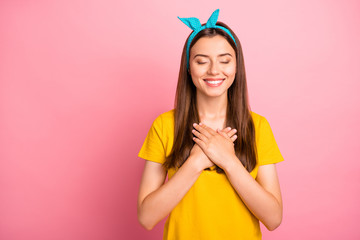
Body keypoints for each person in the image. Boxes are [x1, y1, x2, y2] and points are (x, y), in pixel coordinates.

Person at [137, 9, 284, 240]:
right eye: (202, 61)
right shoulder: (164, 125)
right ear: (188, 67)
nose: (214, 70)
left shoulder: (258, 126)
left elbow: (274, 219)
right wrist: (195, 162)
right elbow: (146, 217)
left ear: (237, 67)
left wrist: (228, 160)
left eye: (224, 60)